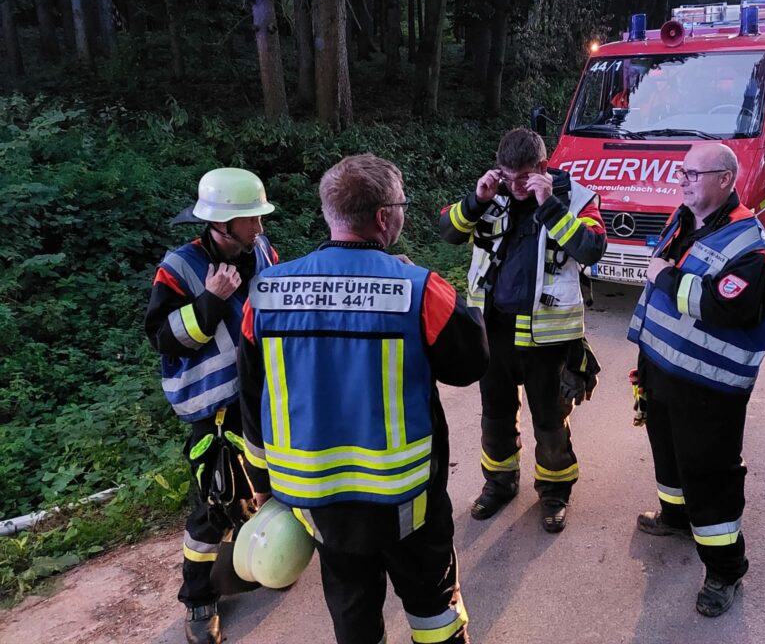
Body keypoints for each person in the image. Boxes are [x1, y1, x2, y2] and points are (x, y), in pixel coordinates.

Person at [239, 154, 488, 644]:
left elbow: (251, 394)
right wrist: (426, 284)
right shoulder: (418, 288)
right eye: (402, 206)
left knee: (352, 615)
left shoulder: (265, 292)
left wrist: (262, 485)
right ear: (382, 217)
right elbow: (470, 364)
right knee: (433, 613)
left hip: (317, 500)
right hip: (406, 500)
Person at [626, 143, 765, 617]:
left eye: (694, 174)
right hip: (663, 369)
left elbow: (724, 307)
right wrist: (646, 363)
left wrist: (666, 277)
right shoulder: (685, 218)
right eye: (682, 172)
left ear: (725, 179)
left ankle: (725, 571)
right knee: (668, 453)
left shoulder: (749, 245)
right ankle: (675, 517)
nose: (683, 181)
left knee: (710, 475)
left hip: (710, 387)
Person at [439, 127, 607, 532]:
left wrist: (550, 205)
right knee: (495, 415)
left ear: (542, 167)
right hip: (493, 329)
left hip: (548, 338)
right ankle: (499, 483)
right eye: (507, 176)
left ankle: (555, 491)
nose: (513, 186)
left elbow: (591, 249)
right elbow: (448, 231)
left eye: (522, 178)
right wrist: (476, 200)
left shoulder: (576, 198)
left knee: (550, 419)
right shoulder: (491, 192)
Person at [145, 167, 278, 644]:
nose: (259, 227)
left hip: (264, 396)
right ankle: (199, 599)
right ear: (221, 223)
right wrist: (210, 301)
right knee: (214, 504)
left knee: (272, 486)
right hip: (217, 410)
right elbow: (163, 339)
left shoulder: (261, 249)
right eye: (250, 219)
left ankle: (263, 558)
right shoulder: (179, 267)